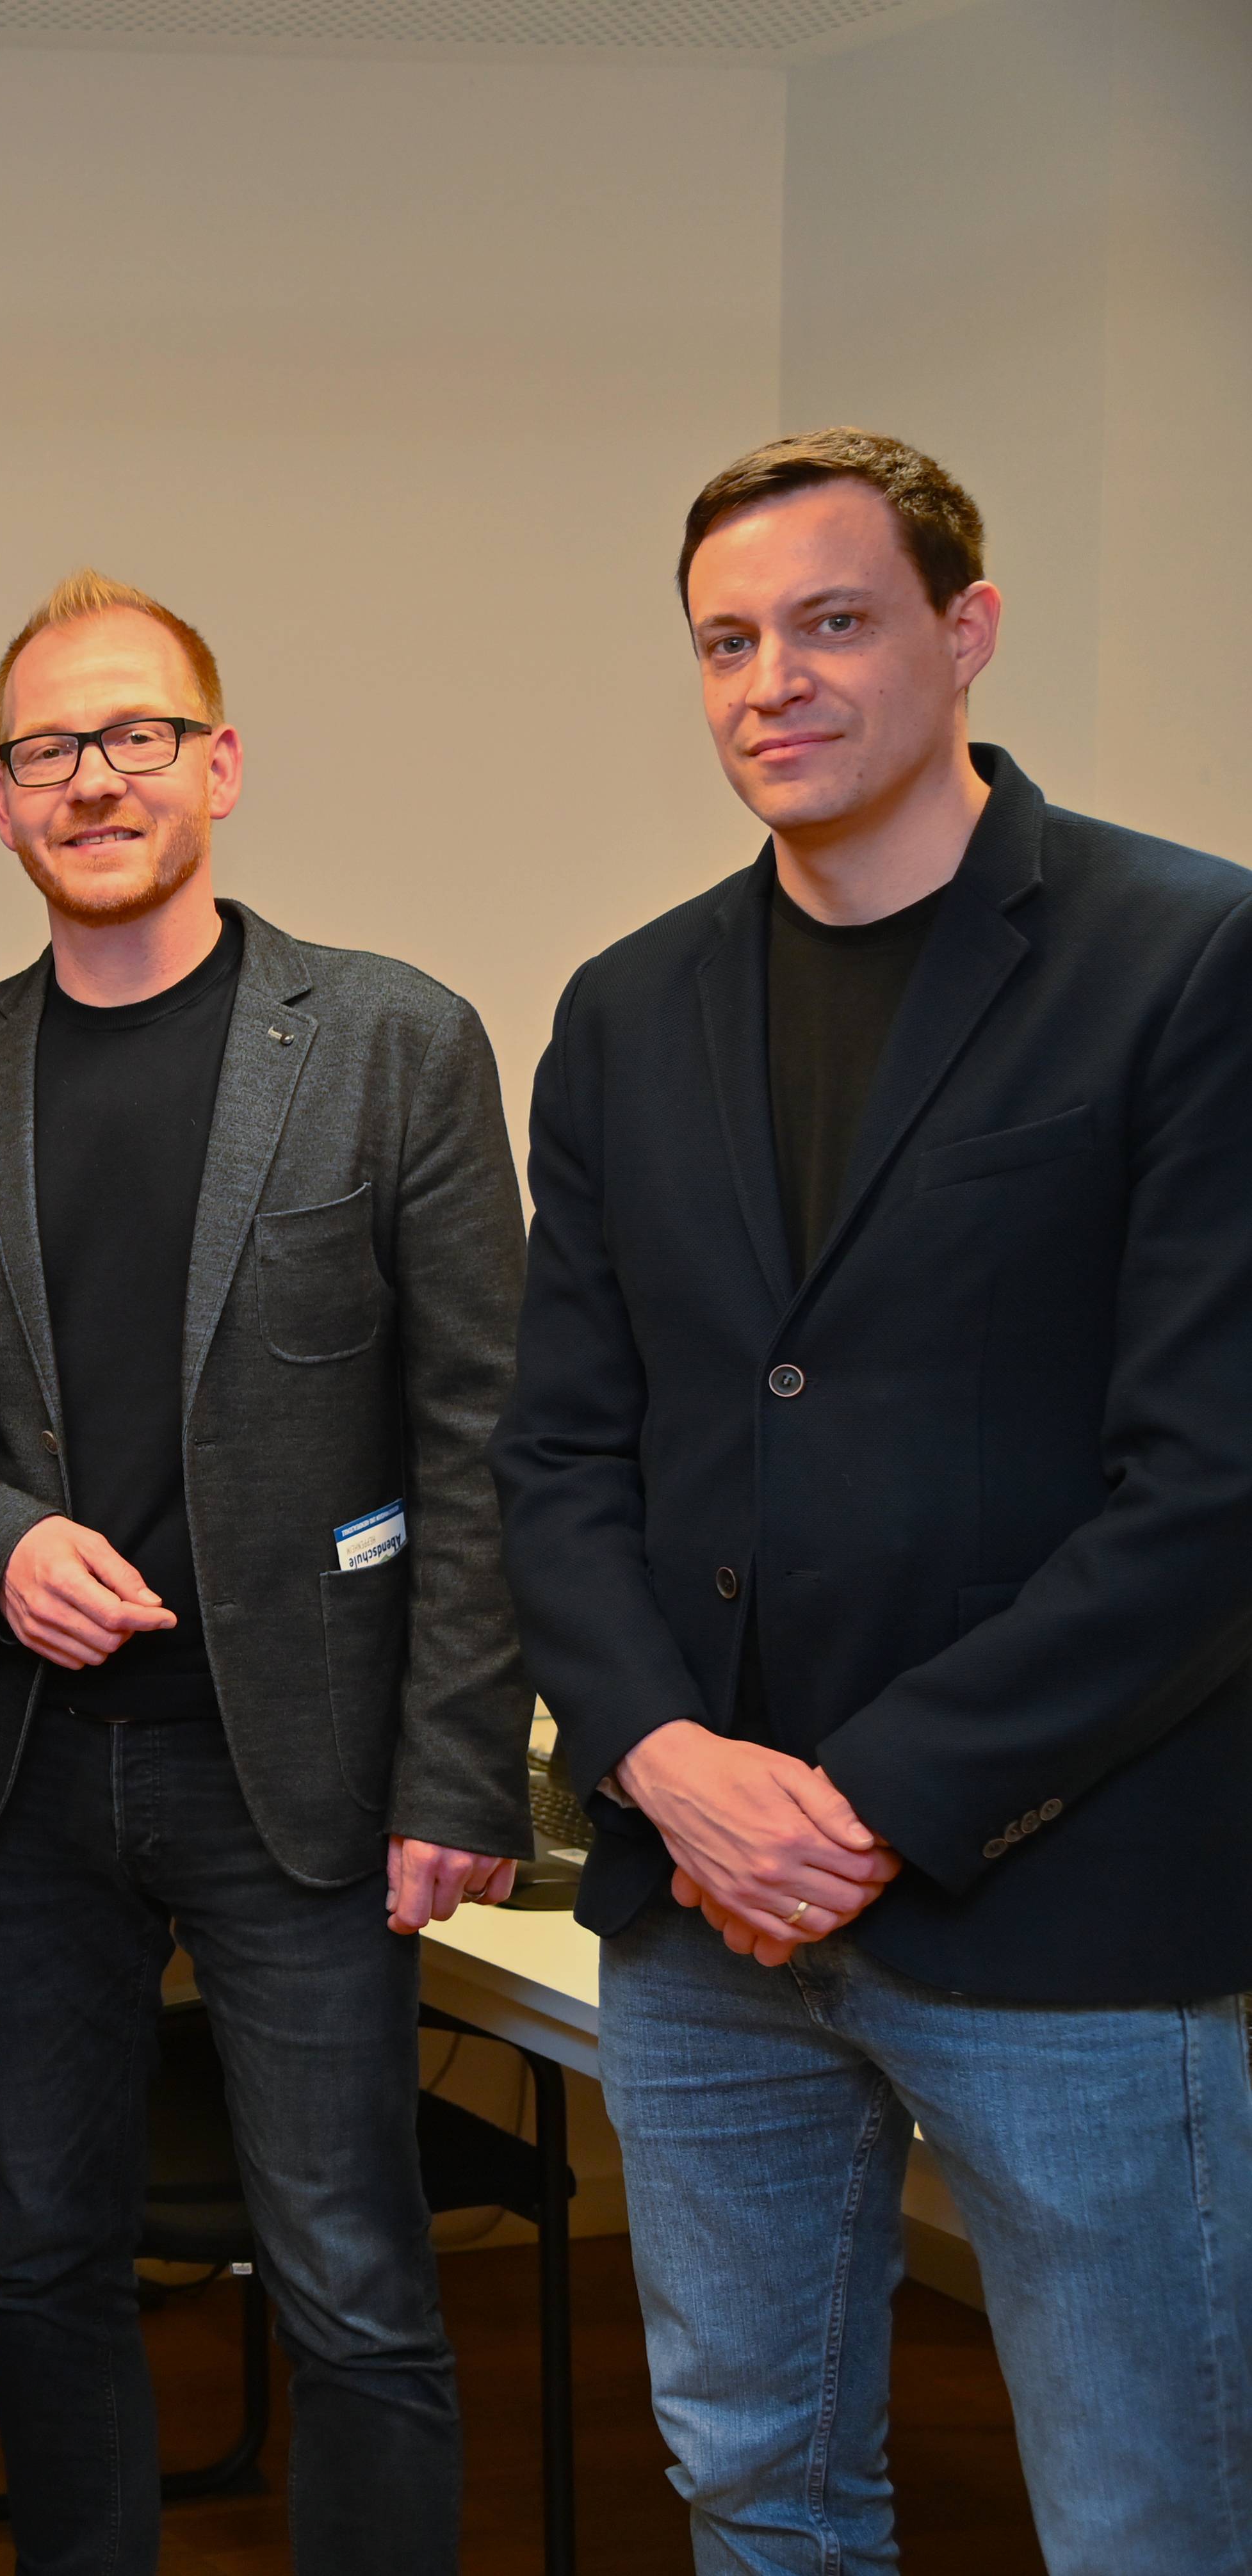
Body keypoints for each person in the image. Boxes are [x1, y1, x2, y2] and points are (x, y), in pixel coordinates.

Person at [498, 430, 1252, 2571]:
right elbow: (556, 1452)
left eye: (828, 622)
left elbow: (1205, 1495)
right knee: (750, 2484)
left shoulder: (1181, 960)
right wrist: (662, 1762)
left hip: (1064, 1906)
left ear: (958, 632)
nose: (771, 679)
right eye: (723, 640)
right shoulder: (625, 1006)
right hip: (702, 1916)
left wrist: (868, 1799)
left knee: (1145, 2511)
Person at [0, 572, 530, 2575]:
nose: (95, 780)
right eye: (49, 751)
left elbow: (477, 1435)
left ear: (221, 765)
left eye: (136, 737)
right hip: (16, 1782)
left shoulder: (388, 1041)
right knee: (47, 2264)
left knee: (353, 2275)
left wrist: (456, 1775)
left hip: (306, 1777)